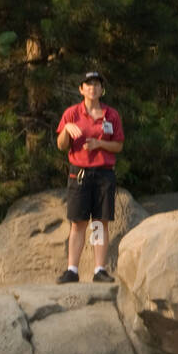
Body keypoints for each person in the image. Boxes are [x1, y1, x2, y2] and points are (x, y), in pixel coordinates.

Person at [55, 71, 124, 284]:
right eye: (88, 84)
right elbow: (61, 145)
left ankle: (99, 270)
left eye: (96, 85)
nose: (92, 88)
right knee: (78, 222)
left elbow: (119, 145)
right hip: (80, 172)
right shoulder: (72, 113)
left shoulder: (111, 114)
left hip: (104, 173)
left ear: (102, 90)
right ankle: (72, 270)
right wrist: (66, 129)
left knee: (99, 223)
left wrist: (99, 144)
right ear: (81, 89)